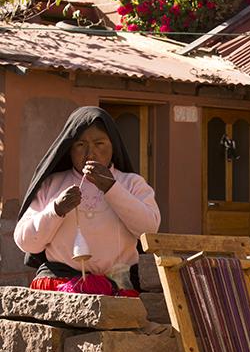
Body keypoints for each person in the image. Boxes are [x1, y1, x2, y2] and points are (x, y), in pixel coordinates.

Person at [14, 106, 160, 296]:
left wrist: (112, 188)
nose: (90, 154)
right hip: (60, 289)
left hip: (116, 291)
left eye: (99, 144)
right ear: (69, 149)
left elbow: (148, 230)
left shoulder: (131, 184)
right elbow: (26, 242)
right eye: (80, 145)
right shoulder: (52, 184)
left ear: (113, 146)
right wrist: (56, 209)